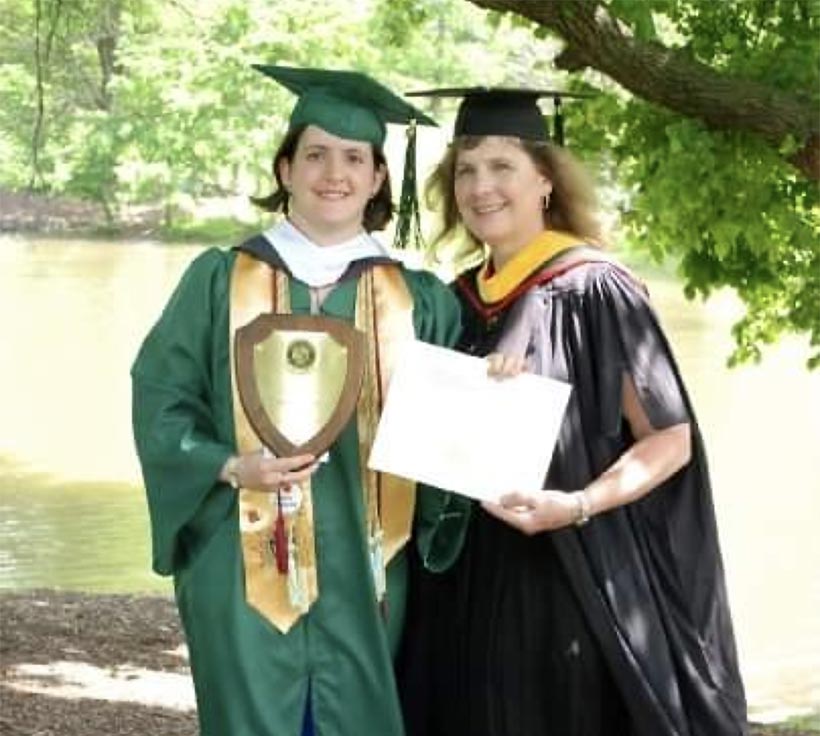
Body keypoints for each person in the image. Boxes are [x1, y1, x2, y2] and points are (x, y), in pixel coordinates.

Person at [398, 88, 749, 735]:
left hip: (571, 576)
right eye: (467, 169)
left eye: (502, 166)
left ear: (545, 180)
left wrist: (578, 504)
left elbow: (670, 440)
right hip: (468, 580)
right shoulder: (453, 301)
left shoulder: (594, 288)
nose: (481, 186)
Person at [131, 65, 462, 736]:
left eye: (353, 158)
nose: (332, 173)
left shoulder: (422, 301)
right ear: (285, 169)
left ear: (377, 178)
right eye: (314, 154)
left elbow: (449, 446)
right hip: (240, 564)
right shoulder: (219, 279)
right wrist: (227, 465)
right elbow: (161, 398)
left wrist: (497, 391)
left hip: (372, 576)